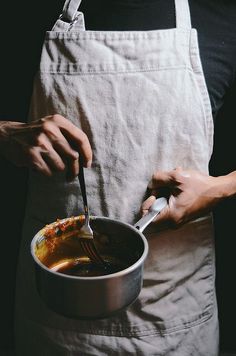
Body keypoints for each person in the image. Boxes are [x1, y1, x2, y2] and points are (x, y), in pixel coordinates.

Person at [0, 0, 236, 354]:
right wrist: (5, 135)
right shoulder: (28, 10)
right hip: (53, 322)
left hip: (173, 318)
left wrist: (219, 189)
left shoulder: (223, 14)